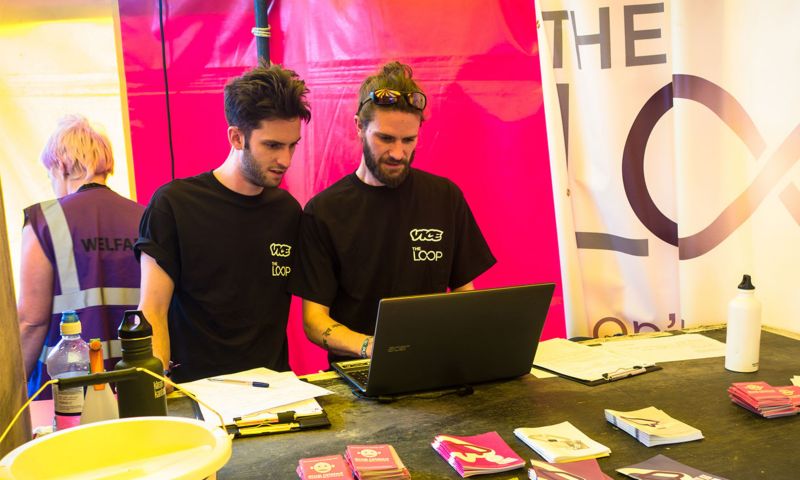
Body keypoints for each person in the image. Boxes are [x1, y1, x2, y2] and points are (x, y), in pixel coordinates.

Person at [288, 61, 496, 364]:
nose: (398, 153)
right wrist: (371, 347)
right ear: (359, 126)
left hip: (434, 366)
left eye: (408, 140)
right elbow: (314, 320)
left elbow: (465, 292)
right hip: (359, 373)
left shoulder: (445, 197)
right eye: (385, 139)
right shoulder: (324, 212)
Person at [135, 65, 311, 383]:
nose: (285, 160)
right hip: (198, 392)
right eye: (272, 146)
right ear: (236, 137)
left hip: (275, 391)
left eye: (292, 145)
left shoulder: (288, 211)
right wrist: (158, 386)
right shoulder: (174, 205)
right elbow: (153, 310)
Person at [18, 114, 144, 398]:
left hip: (66, 391)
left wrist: (9, 391)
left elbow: (31, 322)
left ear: (60, 165)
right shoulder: (145, 217)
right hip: (136, 384)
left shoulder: (44, 220)